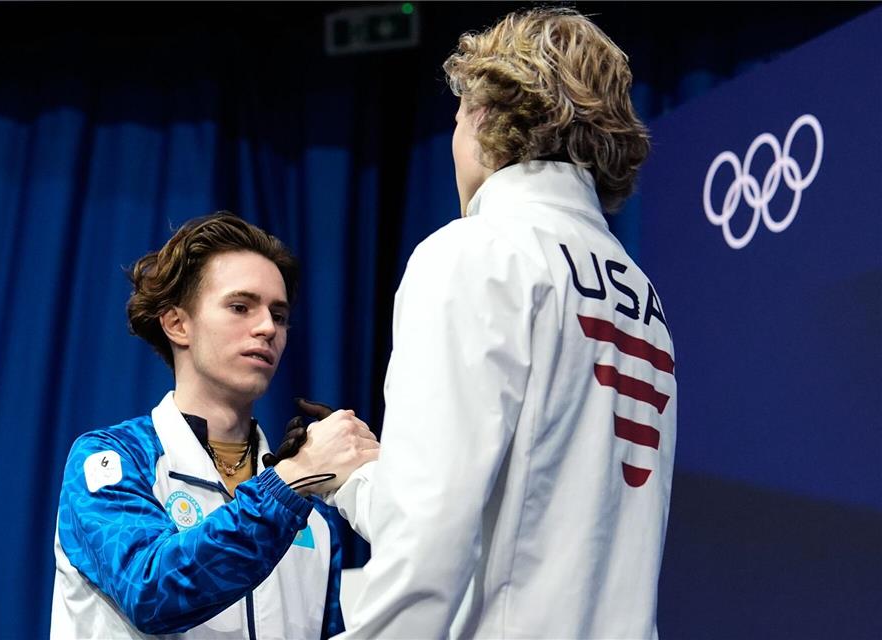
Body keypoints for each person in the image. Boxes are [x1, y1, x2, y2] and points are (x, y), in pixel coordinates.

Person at [332, 8, 677, 638]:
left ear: (488, 114)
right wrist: (360, 482)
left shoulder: (478, 253)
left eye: (459, 114)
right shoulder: (638, 292)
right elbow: (532, 517)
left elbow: (429, 534)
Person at [50, 212, 379, 639]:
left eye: (279, 315)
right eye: (241, 307)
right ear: (177, 324)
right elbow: (152, 591)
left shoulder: (313, 515)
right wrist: (291, 480)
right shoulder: (111, 459)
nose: (267, 328)